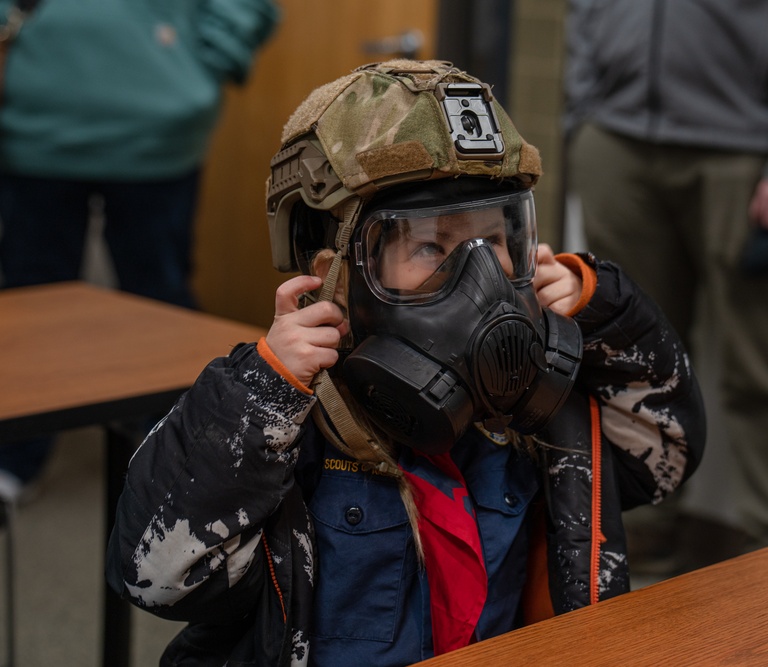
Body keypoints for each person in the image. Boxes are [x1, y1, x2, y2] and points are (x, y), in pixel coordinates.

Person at [105, 60, 706, 664]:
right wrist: (265, 393)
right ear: (333, 276)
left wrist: (603, 310)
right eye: (429, 245)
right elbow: (156, 576)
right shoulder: (291, 429)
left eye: (495, 240)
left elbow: (666, 452)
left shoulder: (536, 419)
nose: (482, 279)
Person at [564, 0, 768, 551]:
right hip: (615, 143)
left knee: (762, 366)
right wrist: (582, 116)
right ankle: (639, 545)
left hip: (744, 156)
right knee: (627, 361)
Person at [0, 0, 279, 498]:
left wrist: (202, 61)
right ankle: (16, 455)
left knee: (159, 298)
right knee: (27, 300)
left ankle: (171, 461)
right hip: (31, 123)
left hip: (158, 125)